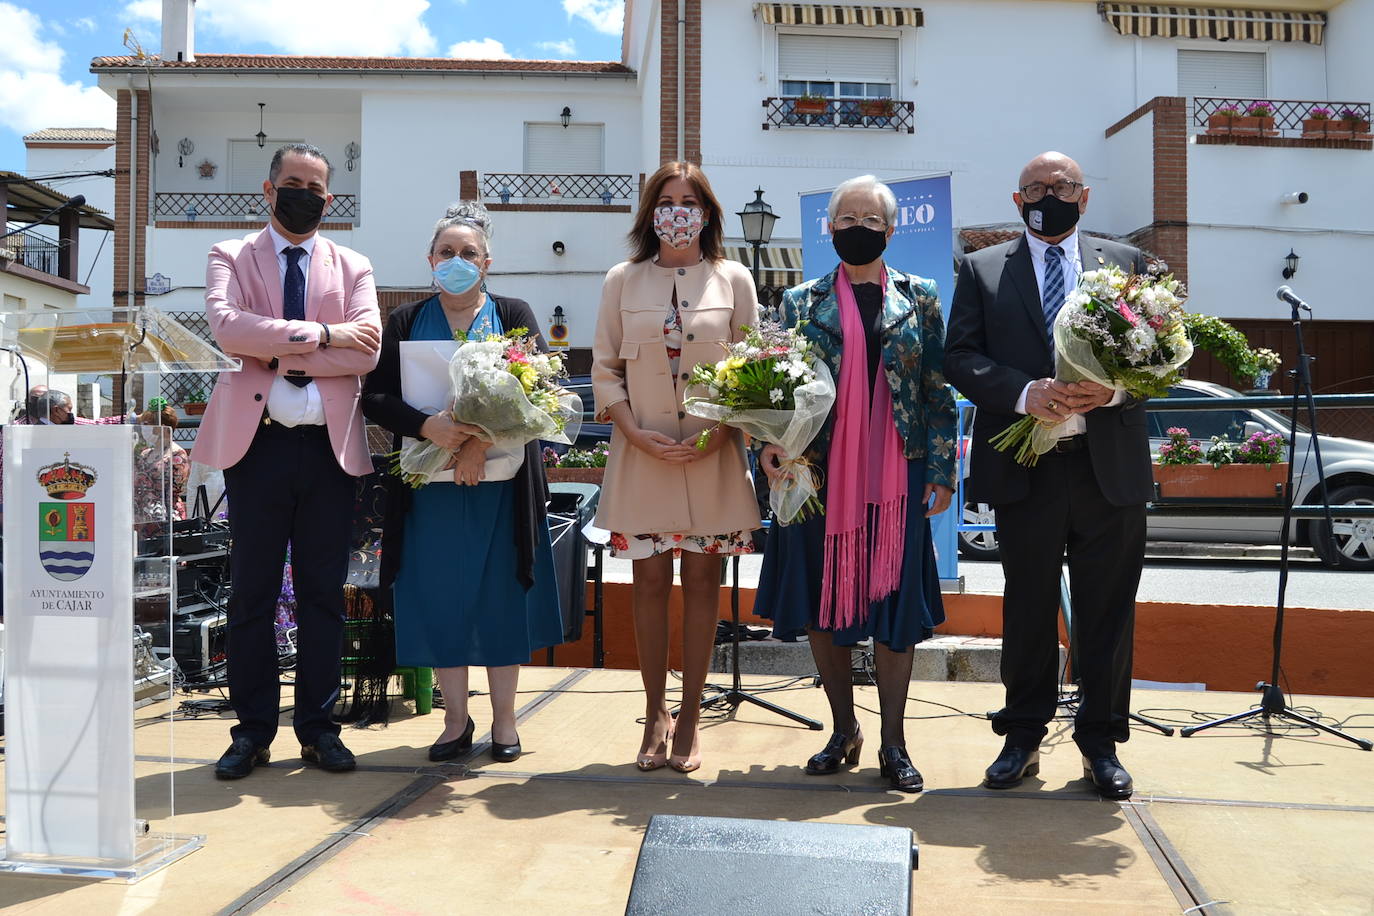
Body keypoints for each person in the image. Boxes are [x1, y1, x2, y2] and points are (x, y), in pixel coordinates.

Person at [945, 151, 1151, 800]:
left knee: (1107, 612)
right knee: (1027, 606)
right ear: (1016, 201)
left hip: (1106, 468)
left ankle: (1100, 744)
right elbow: (958, 357)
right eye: (1034, 187)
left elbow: (1156, 360)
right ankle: (1023, 737)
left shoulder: (1128, 265)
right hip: (1025, 469)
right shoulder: (980, 269)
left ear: (1083, 197)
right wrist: (1023, 392)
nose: (1046, 195)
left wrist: (1114, 392)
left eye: (1059, 186)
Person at [754, 175, 956, 792]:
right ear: (829, 227)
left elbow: (937, 389)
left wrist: (945, 471)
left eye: (871, 221)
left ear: (892, 231)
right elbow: (776, 387)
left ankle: (894, 743)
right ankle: (843, 730)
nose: (858, 229)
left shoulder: (919, 296)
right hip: (817, 475)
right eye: (847, 219)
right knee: (823, 601)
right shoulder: (798, 302)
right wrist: (768, 441)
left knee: (896, 607)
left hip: (900, 474)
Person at [193, 143, 382, 780]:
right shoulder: (231, 255)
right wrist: (323, 339)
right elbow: (226, 327)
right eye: (293, 183)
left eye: (317, 187)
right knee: (251, 594)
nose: (305, 194)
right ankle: (252, 731)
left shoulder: (353, 265)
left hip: (328, 452)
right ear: (269, 191)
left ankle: (318, 728)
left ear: (330, 198)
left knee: (324, 595)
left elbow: (369, 348)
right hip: (258, 448)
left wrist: (278, 347)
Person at [361, 202, 563, 763]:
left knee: (500, 599)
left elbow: (543, 395)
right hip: (428, 492)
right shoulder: (402, 321)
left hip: (501, 487)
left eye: (467, 253)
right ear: (430, 260)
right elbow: (375, 397)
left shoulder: (515, 314)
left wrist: (475, 442)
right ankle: (455, 722)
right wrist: (431, 427)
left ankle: (504, 724)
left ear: (487, 262)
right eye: (446, 252)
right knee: (440, 599)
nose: (456, 261)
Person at [591, 161, 760, 773]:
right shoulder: (621, 279)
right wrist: (632, 431)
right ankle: (655, 711)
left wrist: (722, 432)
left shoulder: (733, 278)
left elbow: (756, 367)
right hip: (643, 460)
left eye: (689, 200)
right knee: (649, 587)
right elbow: (605, 367)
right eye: (666, 200)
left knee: (702, 589)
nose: (677, 210)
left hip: (712, 459)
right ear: (650, 212)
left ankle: (691, 715)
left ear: (708, 212)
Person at [133, 404, 190, 521]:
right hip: (141, 515)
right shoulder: (145, 454)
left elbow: (174, 487)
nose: (144, 428)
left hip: (165, 515)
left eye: (147, 424)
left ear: (162, 427)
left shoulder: (177, 454)